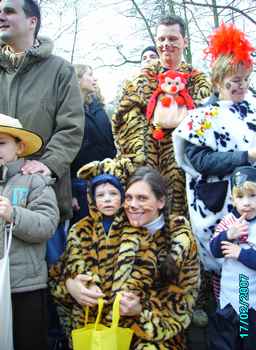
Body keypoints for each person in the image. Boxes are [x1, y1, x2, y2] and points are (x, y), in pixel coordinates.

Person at [49, 159, 200, 350]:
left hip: (150, 338)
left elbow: (181, 304)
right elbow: (60, 274)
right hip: (101, 338)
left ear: (161, 201)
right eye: (128, 198)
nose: (132, 205)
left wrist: (140, 312)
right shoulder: (112, 228)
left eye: (142, 198)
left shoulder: (179, 238)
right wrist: (70, 286)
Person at [173, 23, 256, 274]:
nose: (242, 86)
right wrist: (248, 156)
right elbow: (199, 161)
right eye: (235, 80)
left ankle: (249, 310)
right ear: (218, 80)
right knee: (228, 268)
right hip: (219, 204)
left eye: (245, 79)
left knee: (254, 260)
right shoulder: (201, 117)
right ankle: (233, 310)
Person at [112, 15, 211, 218]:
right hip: (146, 169)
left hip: (186, 171)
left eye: (172, 39)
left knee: (180, 225)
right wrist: (140, 159)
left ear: (185, 42)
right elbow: (122, 120)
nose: (166, 44)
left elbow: (207, 122)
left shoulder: (198, 80)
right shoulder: (140, 79)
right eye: (161, 39)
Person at [0, 0, 84, 224]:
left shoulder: (61, 71)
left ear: (32, 21)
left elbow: (72, 127)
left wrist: (49, 164)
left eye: (9, 11)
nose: (1, 16)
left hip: (43, 200)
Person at [0, 113, 59, 350]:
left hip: (25, 287)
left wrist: (13, 214)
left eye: (1, 143)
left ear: (20, 146)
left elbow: (46, 224)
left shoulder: (34, 182)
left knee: (29, 341)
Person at [209, 166, 256, 349]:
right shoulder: (228, 221)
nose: (246, 203)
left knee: (248, 337)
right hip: (229, 297)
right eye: (240, 197)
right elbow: (214, 249)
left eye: (253, 195)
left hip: (253, 300)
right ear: (232, 198)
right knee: (225, 340)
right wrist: (227, 235)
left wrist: (241, 253)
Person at [71, 64, 116, 224]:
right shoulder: (68, 110)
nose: (94, 78)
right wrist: (70, 194)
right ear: (77, 79)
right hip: (80, 185)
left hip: (106, 179)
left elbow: (110, 143)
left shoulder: (98, 108)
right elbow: (65, 152)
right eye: (89, 74)